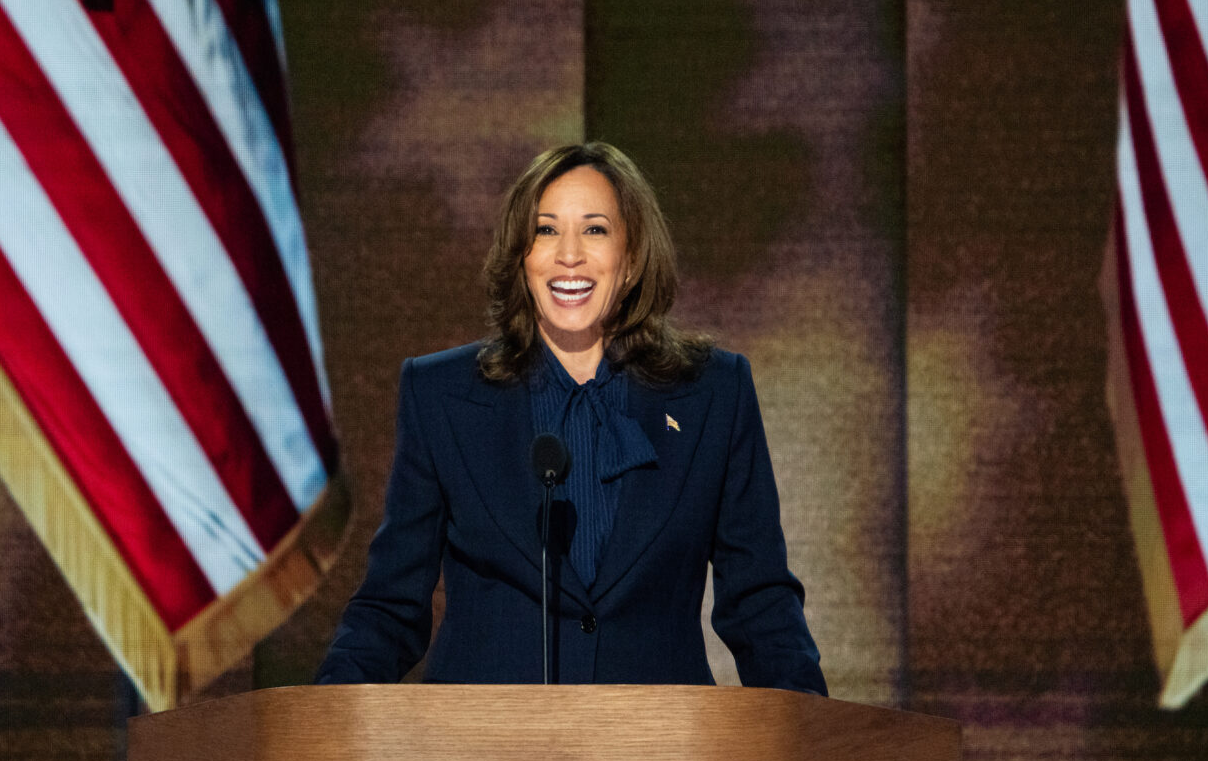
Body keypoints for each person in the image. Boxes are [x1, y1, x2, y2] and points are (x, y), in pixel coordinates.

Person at [315, 142, 826, 693]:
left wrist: (811, 742)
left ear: (631, 260)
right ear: (521, 257)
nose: (569, 255)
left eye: (596, 230)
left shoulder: (713, 393)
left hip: (655, 755)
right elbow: (392, 604)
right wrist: (325, 719)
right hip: (484, 755)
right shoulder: (441, 394)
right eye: (546, 230)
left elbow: (760, 603)